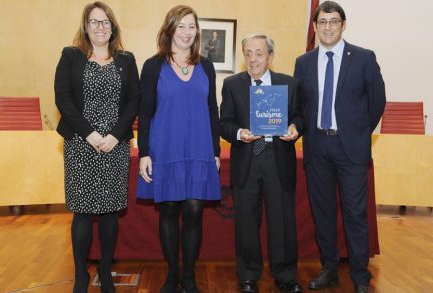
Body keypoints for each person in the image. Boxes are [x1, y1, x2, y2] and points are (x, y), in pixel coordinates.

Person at [293, 2, 386, 293]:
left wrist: (358, 133)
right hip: (317, 148)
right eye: (322, 22)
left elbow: (377, 102)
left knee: (355, 214)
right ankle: (329, 270)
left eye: (334, 21)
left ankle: (360, 277)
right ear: (315, 26)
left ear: (343, 25)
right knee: (322, 213)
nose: (328, 27)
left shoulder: (363, 58)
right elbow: (300, 105)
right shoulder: (304, 62)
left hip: (351, 151)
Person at [54, 2, 140, 292]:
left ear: (112, 27)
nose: (100, 27)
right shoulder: (71, 56)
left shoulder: (126, 60)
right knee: (81, 212)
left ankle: (104, 272)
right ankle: (81, 274)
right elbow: (63, 97)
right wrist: (89, 134)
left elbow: (133, 101)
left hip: (115, 145)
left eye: (105, 22)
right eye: (94, 22)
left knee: (109, 212)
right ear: (86, 26)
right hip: (81, 143)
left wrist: (115, 135)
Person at [136, 5, 221, 293]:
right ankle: (172, 275)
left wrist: (216, 151)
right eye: (181, 26)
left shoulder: (206, 66)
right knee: (170, 209)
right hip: (165, 148)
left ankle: (189, 276)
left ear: (197, 32)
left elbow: (212, 110)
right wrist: (144, 152)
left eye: (192, 27)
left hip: (199, 148)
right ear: (170, 28)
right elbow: (144, 112)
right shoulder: (152, 66)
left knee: (195, 210)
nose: (187, 32)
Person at [219, 34, 304, 293]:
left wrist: (295, 128)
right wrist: (239, 133)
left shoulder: (288, 84)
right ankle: (248, 276)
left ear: (270, 56)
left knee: (282, 221)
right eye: (248, 53)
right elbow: (224, 123)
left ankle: (286, 275)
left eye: (258, 53)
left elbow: (301, 116)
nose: (253, 59)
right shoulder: (232, 84)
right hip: (247, 158)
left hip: (279, 157)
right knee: (246, 222)